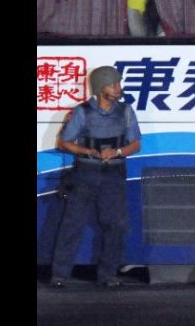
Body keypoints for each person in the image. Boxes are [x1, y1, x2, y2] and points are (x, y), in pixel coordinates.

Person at [50, 66, 141, 288]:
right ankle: (59, 275)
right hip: (85, 173)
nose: (118, 88)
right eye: (113, 84)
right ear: (101, 88)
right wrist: (87, 151)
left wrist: (117, 152)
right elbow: (64, 142)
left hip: (114, 173)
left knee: (116, 225)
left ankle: (108, 274)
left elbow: (136, 144)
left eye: (119, 84)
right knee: (72, 224)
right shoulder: (82, 112)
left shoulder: (126, 111)